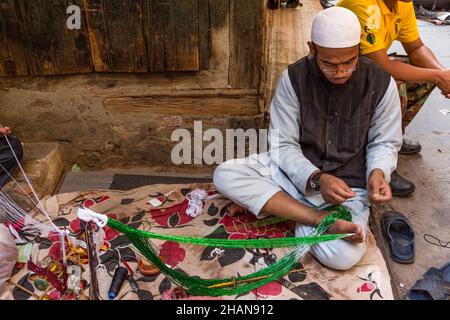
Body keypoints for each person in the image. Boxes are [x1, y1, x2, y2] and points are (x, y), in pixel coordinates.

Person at [213, 7, 403, 271]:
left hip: (348, 191)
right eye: (329, 64)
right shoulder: (293, 79)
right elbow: (282, 144)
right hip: (296, 177)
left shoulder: (382, 84)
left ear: (358, 48)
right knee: (225, 174)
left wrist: (378, 172)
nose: (341, 72)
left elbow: (384, 142)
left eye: (349, 62)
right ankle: (314, 218)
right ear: (312, 48)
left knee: (343, 257)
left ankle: (282, 208)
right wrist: (317, 178)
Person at [337, 0, 450, 196]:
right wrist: (438, 76)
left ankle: (391, 140)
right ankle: (377, 163)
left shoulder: (401, 3)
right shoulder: (364, 5)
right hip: (338, 77)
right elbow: (385, 67)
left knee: (427, 73)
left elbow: (416, 48)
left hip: (365, 70)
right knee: (393, 85)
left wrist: (443, 75)